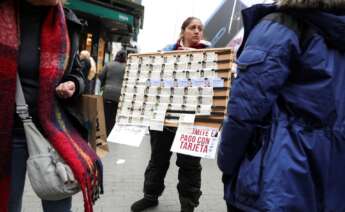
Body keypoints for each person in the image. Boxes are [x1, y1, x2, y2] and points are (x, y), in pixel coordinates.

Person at [217, 0, 345, 211]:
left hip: (276, 182)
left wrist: (226, 162)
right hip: (333, 184)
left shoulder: (279, 26)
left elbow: (244, 110)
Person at [0, 1, 103, 212]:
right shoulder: (4, 14)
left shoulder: (66, 21)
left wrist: (74, 83)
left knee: (59, 205)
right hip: (9, 132)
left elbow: (76, 71)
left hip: (53, 128)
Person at [131, 17, 210, 212]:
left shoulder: (211, 56)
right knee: (157, 160)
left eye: (200, 29)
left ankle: (188, 205)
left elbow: (215, 91)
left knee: (190, 165)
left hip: (193, 122)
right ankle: (150, 196)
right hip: (163, 119)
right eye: (192, 28)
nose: (197, 32)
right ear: (183, 31)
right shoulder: (165, 53)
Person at [98, 50, 127, 135]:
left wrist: (104, 85)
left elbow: (100, 76)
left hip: (107, 93)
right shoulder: (126, 67)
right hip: (119, 95)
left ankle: (102, 133)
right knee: (114, 116)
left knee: (104, 114)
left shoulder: (109, 64)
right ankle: (109, 133)